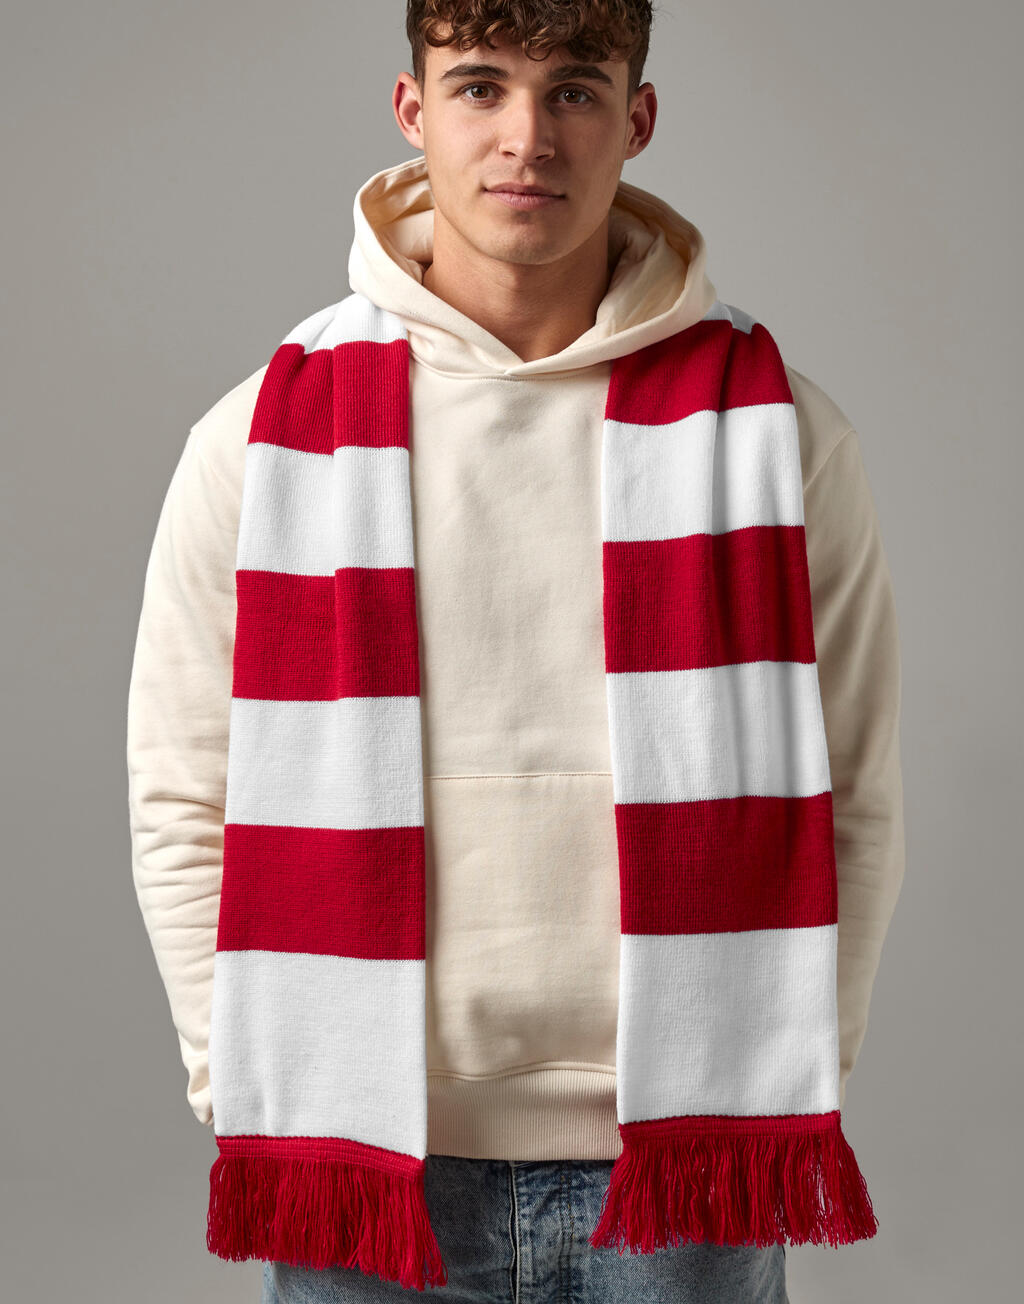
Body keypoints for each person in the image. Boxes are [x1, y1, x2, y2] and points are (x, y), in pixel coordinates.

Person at [126, 2, 905, 1300]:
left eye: (575, 91)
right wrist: (248, 1077)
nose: (527, 137)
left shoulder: (776, 437)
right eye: (481, 87)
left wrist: (782, 1068)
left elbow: (858, 794)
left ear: (637, 120)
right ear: (413, 110)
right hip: (365, 1150)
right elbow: (182, 795)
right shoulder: (262, 436)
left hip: (684, 1165)